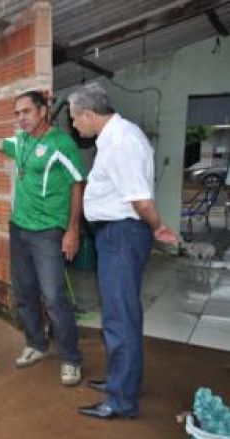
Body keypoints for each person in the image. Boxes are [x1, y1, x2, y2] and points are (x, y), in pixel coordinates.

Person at [67, 82, 179, 419]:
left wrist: (157, 226)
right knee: (119, 313)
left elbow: (141, 200)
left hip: (122, 234)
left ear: (88, 113)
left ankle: (121, 400)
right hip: (115, 234)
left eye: (74, 119)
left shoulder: (121, 140)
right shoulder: (116, 137)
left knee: (119, 317)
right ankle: (122, 382)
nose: (74, 125)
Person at [0, 90, 85, 386]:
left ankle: (71, 358)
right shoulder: (21, 141)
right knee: (24, 292)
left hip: (49, 231)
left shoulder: (61, 144)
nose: (21, 118)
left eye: (26, 111)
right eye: (17, 113)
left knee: (53, 296)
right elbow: (3, 144)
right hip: (20, 228)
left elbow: (78, 184)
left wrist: (73, 229)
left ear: (43, 111)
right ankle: (36, 344)